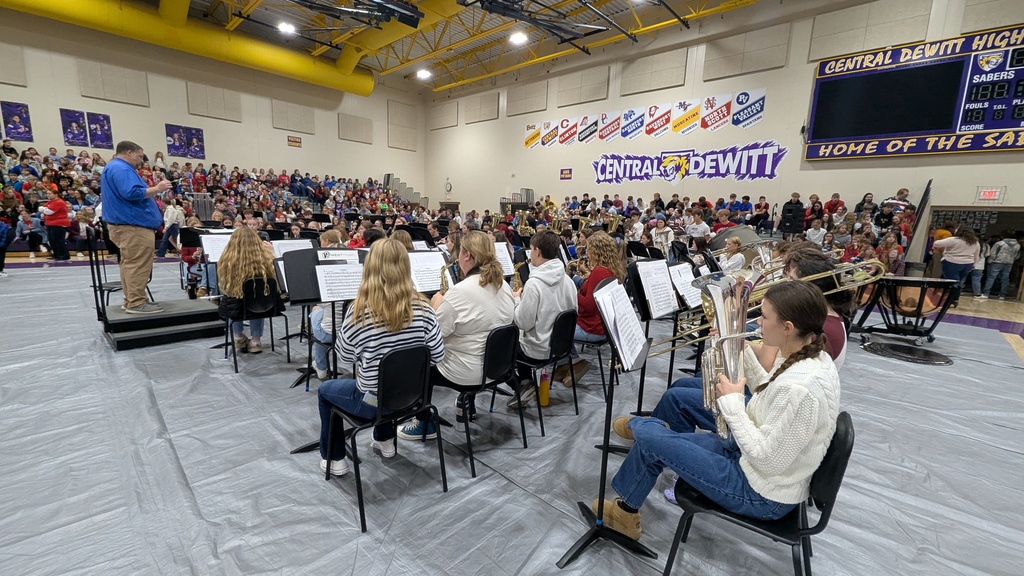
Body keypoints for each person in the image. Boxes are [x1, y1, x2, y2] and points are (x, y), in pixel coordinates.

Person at [595, 281, 840, 540]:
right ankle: (626, 508)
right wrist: (744, 352)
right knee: (658, 433)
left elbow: (767, 461)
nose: (758, 322)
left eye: (765, 317)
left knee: (650, 436)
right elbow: (768, 392)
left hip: (761, 494)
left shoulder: (802, 387)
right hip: (754, 469)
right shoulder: (806, 355)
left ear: (788, 328)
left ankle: (641, 430)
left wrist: (733, 404)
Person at [317, 239, 445, 476]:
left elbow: (344, 355)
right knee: (390, 380)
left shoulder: (360, 313)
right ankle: (385, 440)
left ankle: (334, 459)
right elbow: (437, 355)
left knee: (326, 391)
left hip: (372, 404)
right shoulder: (425, 309)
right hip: (413, 399)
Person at [398, 231, 516, 440]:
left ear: (468, 255)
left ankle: (423, 423)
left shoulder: (460, 292)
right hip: (498, 368)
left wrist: (434, 306)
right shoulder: (504, 285)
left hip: (468, 372)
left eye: (459, 252)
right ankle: (466, 406)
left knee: (421, 362)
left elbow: (433, 336)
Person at [508, 231, 578, 409]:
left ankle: (525, 382)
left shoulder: (534, 284)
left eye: (530, 250)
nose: (529, 253)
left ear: (537, 251)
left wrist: (516, 299)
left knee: (502, 344)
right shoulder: (568, 280)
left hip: (537, 350)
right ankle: (527, 383)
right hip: (561, 348)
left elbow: (523, 323)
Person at [100, 141, 172, 314]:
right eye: (139, 156)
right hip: (132, 226)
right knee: (138, 264)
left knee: (129, 263)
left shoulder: (114, 168)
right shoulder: (121, 169)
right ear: (129, 153)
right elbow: (131, 192)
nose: (141, 160)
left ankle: (132, 299)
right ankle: (136, 303)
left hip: (126, 225)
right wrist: (157, 188)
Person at [551, 231, 624, 386]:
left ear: (596, 250)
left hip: (592, 328)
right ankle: (568, 364)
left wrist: (569, 291)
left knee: (554, 327)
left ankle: (572, 362)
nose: (587, 252)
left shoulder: (599, 272)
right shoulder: (609, 269)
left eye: (589, 249)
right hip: (603, 327)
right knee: (561, 324)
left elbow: (589, 306)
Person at [217, 227, 281, 354]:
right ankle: (256, 341)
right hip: (266, 306)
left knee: (230, 297)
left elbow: (225, 287)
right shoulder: (266, 258)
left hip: (237, 308)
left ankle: (238, 337)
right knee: (259, 295)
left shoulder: (227, 259)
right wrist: (273, 252)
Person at [933, 227, 980, 307]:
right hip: (967, 264)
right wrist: (974, 265)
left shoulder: (954, 240)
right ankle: (955, 300)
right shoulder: (975, 242)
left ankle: (947, 301)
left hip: (951, 262)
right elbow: (976, 255)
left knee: (952, 283)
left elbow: (936, 243)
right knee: (959, 283)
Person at [980, 230, 1022, 299]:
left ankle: (986, 293)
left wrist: (990, 261)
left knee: (991, 278)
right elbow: (1017, 256)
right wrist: (1012, 260)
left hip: (997, 262)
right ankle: (1002, 295)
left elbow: (993, 254)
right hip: (1009, 263)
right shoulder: (1017, 245)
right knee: (1005, 278)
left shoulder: (999, 244)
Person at [39, 189, 71, 261]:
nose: (48, 195)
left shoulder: (59, 202)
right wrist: (45, 209)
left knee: (59, 240)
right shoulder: (50, 202)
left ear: (56, 194)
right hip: (50, 223)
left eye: (50, 194)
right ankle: (56, 254)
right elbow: (40, 208)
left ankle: (63, 255)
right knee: (52, 240)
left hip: (59, 224)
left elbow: (49, 212)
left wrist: (44, 209)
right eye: (47, 194)